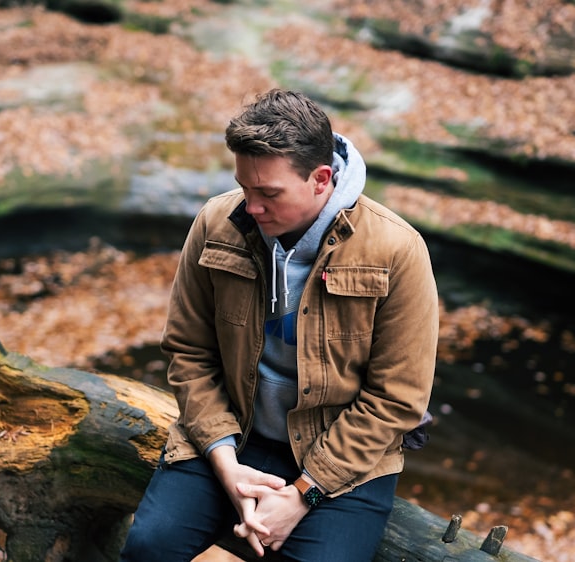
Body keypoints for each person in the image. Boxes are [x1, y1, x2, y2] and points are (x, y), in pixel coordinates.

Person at [119, 89, 438, 562]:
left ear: (321, 179)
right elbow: (189, 352)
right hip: (232, 436)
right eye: (244, 188)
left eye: (268, 193)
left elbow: (397, 398)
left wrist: (303, 493)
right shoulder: (215, 222)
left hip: (345, 460)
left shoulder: (397, 250)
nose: (250, 207)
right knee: (148, 546)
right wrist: (226, 465)